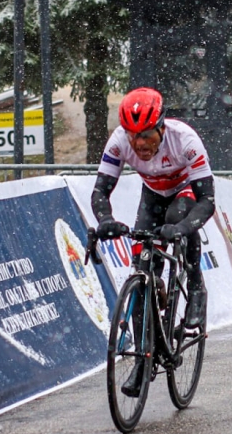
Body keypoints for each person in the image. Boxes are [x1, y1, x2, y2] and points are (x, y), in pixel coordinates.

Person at [91, 87, 215, 392]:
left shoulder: (184, 140)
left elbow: (207, 200)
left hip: (186, 190)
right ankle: (143, 361)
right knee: (141, 270)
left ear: (162, 126)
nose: (140, 143)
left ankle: (196, 285)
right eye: (134, 135)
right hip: (153, 193)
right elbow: (100, 192)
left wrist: (185, 228)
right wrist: (105, 220)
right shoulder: (120, 141)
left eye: (147, 134)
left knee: (176, 220)